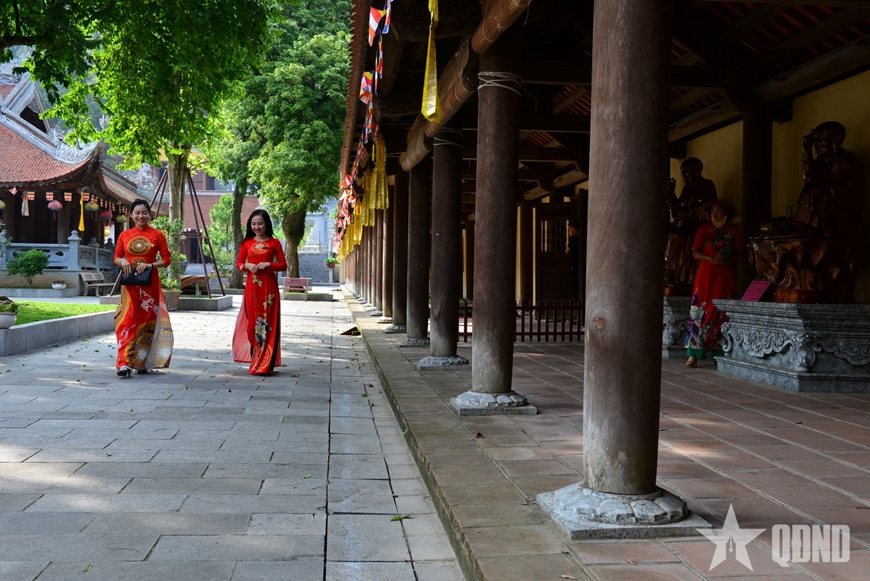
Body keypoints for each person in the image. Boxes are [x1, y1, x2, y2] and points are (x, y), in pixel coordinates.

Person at [113, 199, 173, 377]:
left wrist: (150, 265)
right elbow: (116, 257)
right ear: (131, 214)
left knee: (146, 321)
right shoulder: (124, 235)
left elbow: (167, 259)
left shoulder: (157, 235)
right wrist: (122, 260)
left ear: (150, 215)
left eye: (144, 213)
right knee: (126, 321)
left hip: (149, 286)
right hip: (130, 286)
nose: (141, 216)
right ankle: (123, 363)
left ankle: (140, 361)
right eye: (137, 213)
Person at [686, 199, 743, 368]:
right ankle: (693, 354)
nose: (714, 213)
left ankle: (720, 351)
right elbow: (695, 253)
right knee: (698, 309)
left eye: (718, 210)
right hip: (706, 274)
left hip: (725, 274)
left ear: (727, 213)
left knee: (722, 310)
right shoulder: (704, 229)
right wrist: (712, 258)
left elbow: (739, 255)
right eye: (712, 211)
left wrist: (727, 259)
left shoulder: (734, 232)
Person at [232, 209, 287, 375]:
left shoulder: (275, 243)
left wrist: (270, 265)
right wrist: (247, 266)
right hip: (252, 288)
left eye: (260, 223)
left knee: (268, 323)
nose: (256, 227)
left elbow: (283, 265)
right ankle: (255, 356)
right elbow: (239, 263)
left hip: (269, 288)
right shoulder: (246, 243)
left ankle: (265, 362)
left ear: (267, 224)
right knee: (252, 325)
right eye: (253, 224)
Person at [665, 157, 718, 291]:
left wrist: (685, 211)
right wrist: (670, 194)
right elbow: (679, 211)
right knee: (672, 240)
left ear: (697, 171)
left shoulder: (706, 185)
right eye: (682, 172)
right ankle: (676, 276)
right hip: (684, 226)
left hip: (695, 228)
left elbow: (704, 209)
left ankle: (687, 279)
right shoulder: (687, 188)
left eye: (686, 172)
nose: (683, 175)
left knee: (690, 254)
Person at [565, 220, 580, 301]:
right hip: (581, 266)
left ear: (574, 229)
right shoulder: (581, 239)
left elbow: (566, 251)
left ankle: (577, 302)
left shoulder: (573, 240)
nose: (569, 232)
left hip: (575, 266)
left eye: (570, 230)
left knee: (575, 286)